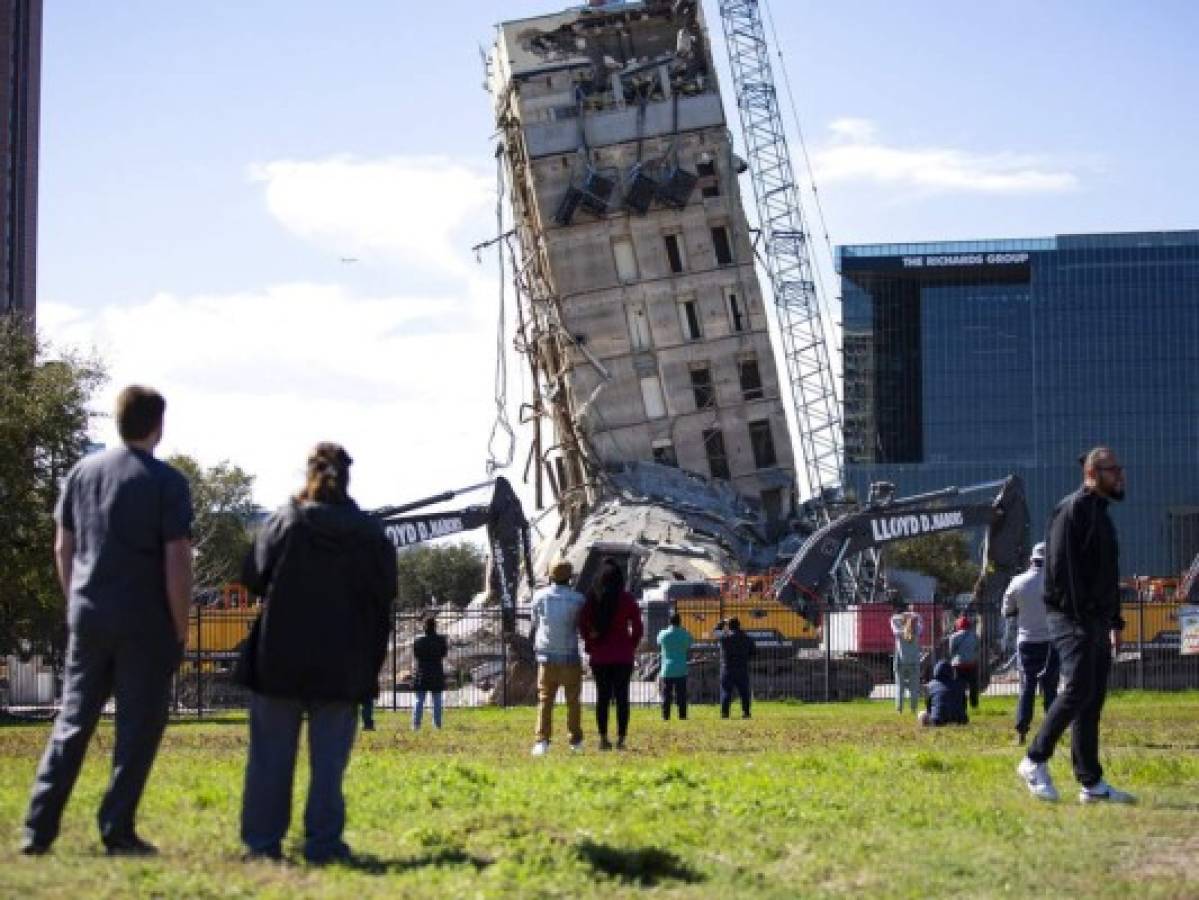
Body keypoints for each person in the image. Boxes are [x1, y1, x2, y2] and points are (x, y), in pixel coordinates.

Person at [21, 386, 193, 857]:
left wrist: (76, 599)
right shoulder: (166, 483)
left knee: (73, 721)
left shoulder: (82, 473)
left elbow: (63, 546)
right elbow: (176, 558)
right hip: (146, 621)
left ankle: (39, 828)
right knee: (137, 728)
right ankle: (117, 827)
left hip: (89, 614)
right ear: (158, 424)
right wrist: (180, 626)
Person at [237, 443, 397, 862]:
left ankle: (262, 844)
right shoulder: (368, 532)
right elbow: (385, 596)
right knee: (328, 764)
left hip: (280, 657)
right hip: (343, 660)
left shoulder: (286, 521)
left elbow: (252, 576)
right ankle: (324, 843)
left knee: (270, 758)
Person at [1018, 447, 1135, 804]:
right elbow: (1061, 569)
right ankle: (1034, 760)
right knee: (1078, 689)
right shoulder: (1073, 510)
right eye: (1113, 470)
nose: (1121, 476)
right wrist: (1081, 618)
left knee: (1092, 698)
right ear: (1092, 474)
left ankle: (1092, 784)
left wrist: (1113, 620)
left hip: (1096, 619)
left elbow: (1106, 574)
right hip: (1073, 618)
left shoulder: (1101, 513)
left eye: (1120, 469)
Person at [580, 558, 644, 749]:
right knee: (622, 698)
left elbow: (583, 624)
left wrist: (591, 643)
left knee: (602, 698)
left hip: (600, 656)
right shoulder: (627, 599)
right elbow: (638, 627)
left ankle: (603, 738)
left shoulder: (592, 598)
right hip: (623, 655)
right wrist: (630, 645)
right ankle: (622, 738)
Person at [1003, 542, 1060, 745]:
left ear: (1031, 560)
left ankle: (1021, 732)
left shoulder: (1018, 582)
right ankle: (1052, 733)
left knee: (1027, 687)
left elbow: (1007, 610)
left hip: (1026, 641)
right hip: (1051, 643)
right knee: (1051, 688)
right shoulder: (1057, 582)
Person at [529, 559, 587, 756]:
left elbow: (534, 622)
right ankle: (575, 741)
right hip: (570, 654)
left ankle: (542, 741)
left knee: (545, 700)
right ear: (570, 578)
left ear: (550, 576)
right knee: (573, 701)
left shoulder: (539, 597)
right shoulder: (579, 600)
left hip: (546, 656)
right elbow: (581, 626)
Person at [412, 616, 448, 730]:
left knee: (419, 700)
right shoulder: (441, 640)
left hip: (422, 671)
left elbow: (416, 655)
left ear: (424, 626)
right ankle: (437, 725)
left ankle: (416, 725)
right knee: (437, 700)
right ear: (435, 626)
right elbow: (444, 653)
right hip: (436, 670)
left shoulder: (418, 640)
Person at [715, 617, 756, 719]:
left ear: (729, 627)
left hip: (728, 668)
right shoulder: (747, 638)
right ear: (739, 625)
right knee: (744, 692)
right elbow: (754, 653)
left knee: (726, 691)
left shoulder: (725, 638)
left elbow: (715, 632)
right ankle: (746, 712)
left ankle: (725, 713)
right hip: (742, 667)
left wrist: (721, 623)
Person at [656, 612, 693, 720]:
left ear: (669, 621)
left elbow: (658, 642)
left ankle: (665, 716)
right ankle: (682, 715)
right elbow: (690, 642)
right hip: (681, 668)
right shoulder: (684, 634)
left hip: (666, 669)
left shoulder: (663, 633)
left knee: (666, 694)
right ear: (679, 622)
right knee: (681, 694)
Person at [889, 604, 923, 714]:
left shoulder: (898, 630)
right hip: (914, 661)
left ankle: (899, 710)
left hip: (900, 661)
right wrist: (912, 615)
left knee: (900, 687)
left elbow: (893, 621)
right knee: (914, 687)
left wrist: (902, 616)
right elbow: (920, 621)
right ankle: (913, 709)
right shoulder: (916, 630)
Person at [919, 661, 969, 727]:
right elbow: (964, 704)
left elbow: (928, 706)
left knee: (921, 714)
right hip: (960, 719)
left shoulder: (929, 685)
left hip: (938, 720)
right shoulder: (959, 684)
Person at [948, 615, 980, 709]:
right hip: (971, 664)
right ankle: (974, 704)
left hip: (958, 665)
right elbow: (976, 648)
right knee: (973, 685)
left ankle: (961, 704)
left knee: (959, 686)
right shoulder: (975, 636)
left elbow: (951, 651)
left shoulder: (953, 637)